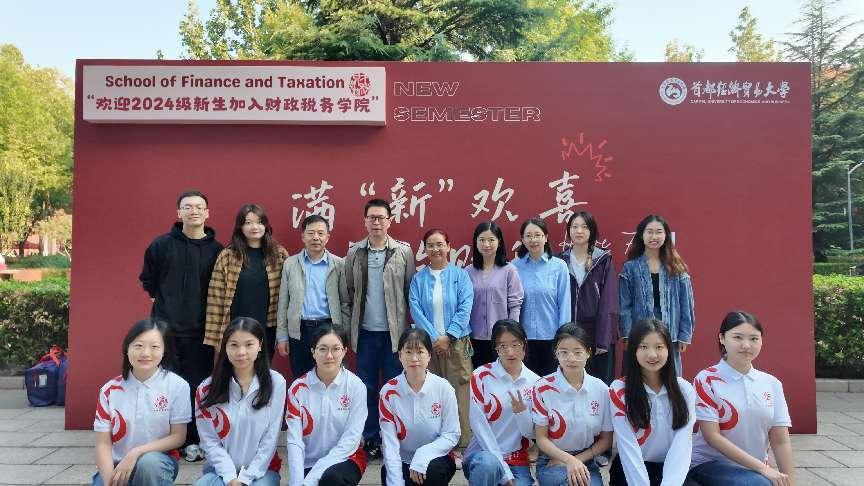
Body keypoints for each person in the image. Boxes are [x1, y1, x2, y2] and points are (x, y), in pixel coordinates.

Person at [139, 190, 223, 460]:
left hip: (201, 332)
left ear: (207, 213)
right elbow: (149, 281)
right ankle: (164, 440)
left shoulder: (218, 251)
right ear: (179, 213)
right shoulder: (161, 245)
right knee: (164, 386)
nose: (193, 211)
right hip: (165, 332)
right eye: (188, 207)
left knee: (198, 386)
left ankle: (194, 440)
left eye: (199, 207)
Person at [687, 311, 795, 486]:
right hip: (709, 464)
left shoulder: (772, 383)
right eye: (737, 337)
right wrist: (763, 469)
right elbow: (712, 437)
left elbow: (780, 441)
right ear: (722, 338)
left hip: (755, 468)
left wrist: (790, 482)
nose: (746, 345)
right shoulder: (706, 379)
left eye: (754, 339)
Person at [344, 198, 415, 459]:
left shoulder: (403, 252)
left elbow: (409, 291)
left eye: (381, 218)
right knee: (367, 388)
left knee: (394, 388)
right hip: (365, 334)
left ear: (389, 221)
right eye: (371, 218)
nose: (376, 222)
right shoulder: (354, 253)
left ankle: (394, 438)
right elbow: (349, 291)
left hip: (395, 336)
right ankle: (371, 437)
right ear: (365, 221)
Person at [93, 319, 190, 486]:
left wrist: (135, 453)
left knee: (149, 464)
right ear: (127, 349)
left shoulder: (177, 386)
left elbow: (178, 437)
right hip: (117, 466)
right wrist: (109, 482)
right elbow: (103, 444)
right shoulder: (109, 390)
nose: (145, 353)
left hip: (157, 463)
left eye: (154, 347)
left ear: (164, 351)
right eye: (138, 346)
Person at [194, 317, 286, 486]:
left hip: (261, 471)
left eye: (249, 344)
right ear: (225, 347)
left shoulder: (276, 383)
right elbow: (209, 441)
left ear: (260, 345)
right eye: (234, 345)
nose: (241, 352)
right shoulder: (206, 389)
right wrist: (230, 477)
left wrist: (245, 479)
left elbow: (271, 437)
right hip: (219, 470)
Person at [609, 319, 696, 486]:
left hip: (672, 467)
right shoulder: (619, 390)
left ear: (669, 349)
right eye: (644, 347)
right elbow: (627, 445)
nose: (652, 355)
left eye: (659, 347)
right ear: (634, 350)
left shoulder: (684, 390)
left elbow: (682, 446)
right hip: (631, 468)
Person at [409, 228, 474, 449]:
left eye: (440, 244)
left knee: (460, 392)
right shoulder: (418, 279)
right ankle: (436, 444)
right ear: (425, 249)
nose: (435, 249)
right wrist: (436, 338)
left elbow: (465, 307)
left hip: (457, 343)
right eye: (430, 245)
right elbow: (416, 311)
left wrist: (449, 336)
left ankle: (463, 444)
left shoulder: (460, 275)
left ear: (448, 246)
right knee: (432, 394)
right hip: (429, 346)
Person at [285, 324, 367, 486]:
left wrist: (311, 478)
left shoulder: (356, 386)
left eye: (336, 349)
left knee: (331, 480)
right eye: (322, 349)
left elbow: (351, 439)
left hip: (347, 458)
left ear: (344, 351)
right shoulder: (297, 389)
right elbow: (294, 441)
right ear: (313, 352)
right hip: (308, 462)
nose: (329, 356)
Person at [204, 204, 289, 358]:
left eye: (259, 222)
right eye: (248, 223)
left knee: (262, 369)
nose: (254, 227)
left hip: (267, 328)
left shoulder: (279, 255)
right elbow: (215, 298)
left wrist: (284, 333)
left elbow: (287, 297)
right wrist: (216, 337)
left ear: (265, 225)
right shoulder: (228, 255)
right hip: (235, 328)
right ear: (240, 227)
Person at [532, 323, 612, 486]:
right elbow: (541, 438)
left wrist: (575, 460)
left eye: (577, 352)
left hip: (586, 459)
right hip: (552, 460)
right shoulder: (542, 388)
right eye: (564, 352)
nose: (571, 358)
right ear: (556, 353)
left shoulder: (601, 389)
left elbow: (606, 439)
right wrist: (566, 459)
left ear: (588, 352)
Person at [379, 328, 460, 486]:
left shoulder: (443, 388)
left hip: (436, 458)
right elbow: (389, 442)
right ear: (400, 355)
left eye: (420, 351)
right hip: (402, 460)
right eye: (408, 352)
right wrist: (395, 481)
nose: (414, 358)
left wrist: (423, 455)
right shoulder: (388, 391)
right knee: (389, 478)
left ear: (429, 355)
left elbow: (452, 434)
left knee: (434, 472)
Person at [463, 319, 539, 486]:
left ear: (524, 344)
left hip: (516, 459)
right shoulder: (481, 376)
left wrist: (522, 413)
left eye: (515, 345)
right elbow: (479, 426)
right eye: (502, 346)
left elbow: (531, 434)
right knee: (488, 465)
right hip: (483, 455)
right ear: (495, 348)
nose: (510, 352)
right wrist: (504, 471)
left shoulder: (535, 383)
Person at [619, 214, 695, 376]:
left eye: (659, 232)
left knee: (669, 378)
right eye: (649, 232)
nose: (654, 236)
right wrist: (627, 334)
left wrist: (684, 335)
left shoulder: (676, 267)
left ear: (666, 235)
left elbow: (686, 304)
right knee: (638, 377)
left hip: (670, 332)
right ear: (641, 235)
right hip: (640, 333)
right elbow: (624, 306)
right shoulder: (630, 268)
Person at [276, 214, 350, 380]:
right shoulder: (290, 264)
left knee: (330, 376)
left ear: (327, 237)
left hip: (328, 328)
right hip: (299, 330)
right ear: (303, 237)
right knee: (301, 378)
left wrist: (343, 335)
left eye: (320, 233)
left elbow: (345, 303)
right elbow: (283, 303)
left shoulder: (338, 264)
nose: (316, 237)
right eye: (310, 233)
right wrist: (282, 336)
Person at [555, 211, 618, 384]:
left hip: (596, 334)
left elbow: (609, 302)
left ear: (592, 231)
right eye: (574, 227)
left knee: (599, 385)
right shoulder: (560, 261)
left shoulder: (602, 260)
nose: (579, 231)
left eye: (584, 227)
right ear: (568, 231)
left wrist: (603, 340)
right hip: (569, 333)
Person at [511, 217, 570, 376]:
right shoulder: (514, 267)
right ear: (522, 239)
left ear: (546, 237)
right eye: (528, 236)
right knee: (526, 384)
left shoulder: (559, 266)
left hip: (552, 338)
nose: (533, 240)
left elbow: (564, 303)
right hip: (523, 339)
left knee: (550, 384)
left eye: (537, 235)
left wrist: (563, 337)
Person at [466, 221, 524, 369]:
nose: (486, 244)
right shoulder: (467, 271)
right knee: (479, 377)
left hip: (501, 339)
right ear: (476, 242)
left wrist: (512, 334)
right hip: (474, 338)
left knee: (502, 375)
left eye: (491, 240)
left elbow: (515, 305)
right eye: (482, 240)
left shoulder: (509, 270)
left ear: (499, 242)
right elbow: (463, 305)